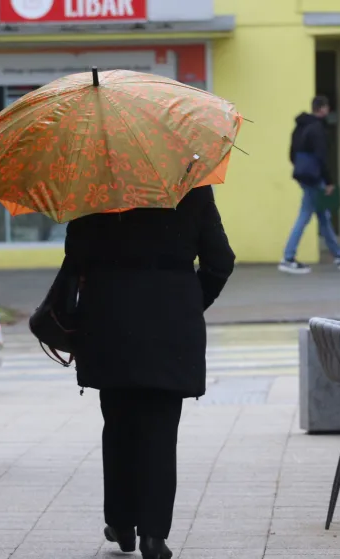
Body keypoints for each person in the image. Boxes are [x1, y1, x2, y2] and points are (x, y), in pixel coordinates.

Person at [63, 185, 235, 559]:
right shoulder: (191, 185)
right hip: (170, 325)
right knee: (160, 429)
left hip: (109, 321)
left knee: (119, 424)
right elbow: (220, 260)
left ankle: (122, 523)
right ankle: (154, 536)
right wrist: (188, 302)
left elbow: (75, 258)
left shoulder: (96, 185)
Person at [279, 96, 340, 274]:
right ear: (323, 109)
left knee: (323, 217)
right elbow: (321, 158)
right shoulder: (317, 129)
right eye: (327, 108)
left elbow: (291, 154)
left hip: (304, 176)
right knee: (304, 216)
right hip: (315, 179)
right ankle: (288, 257)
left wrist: (302, 169)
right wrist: (329, 181)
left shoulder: (300, 127)